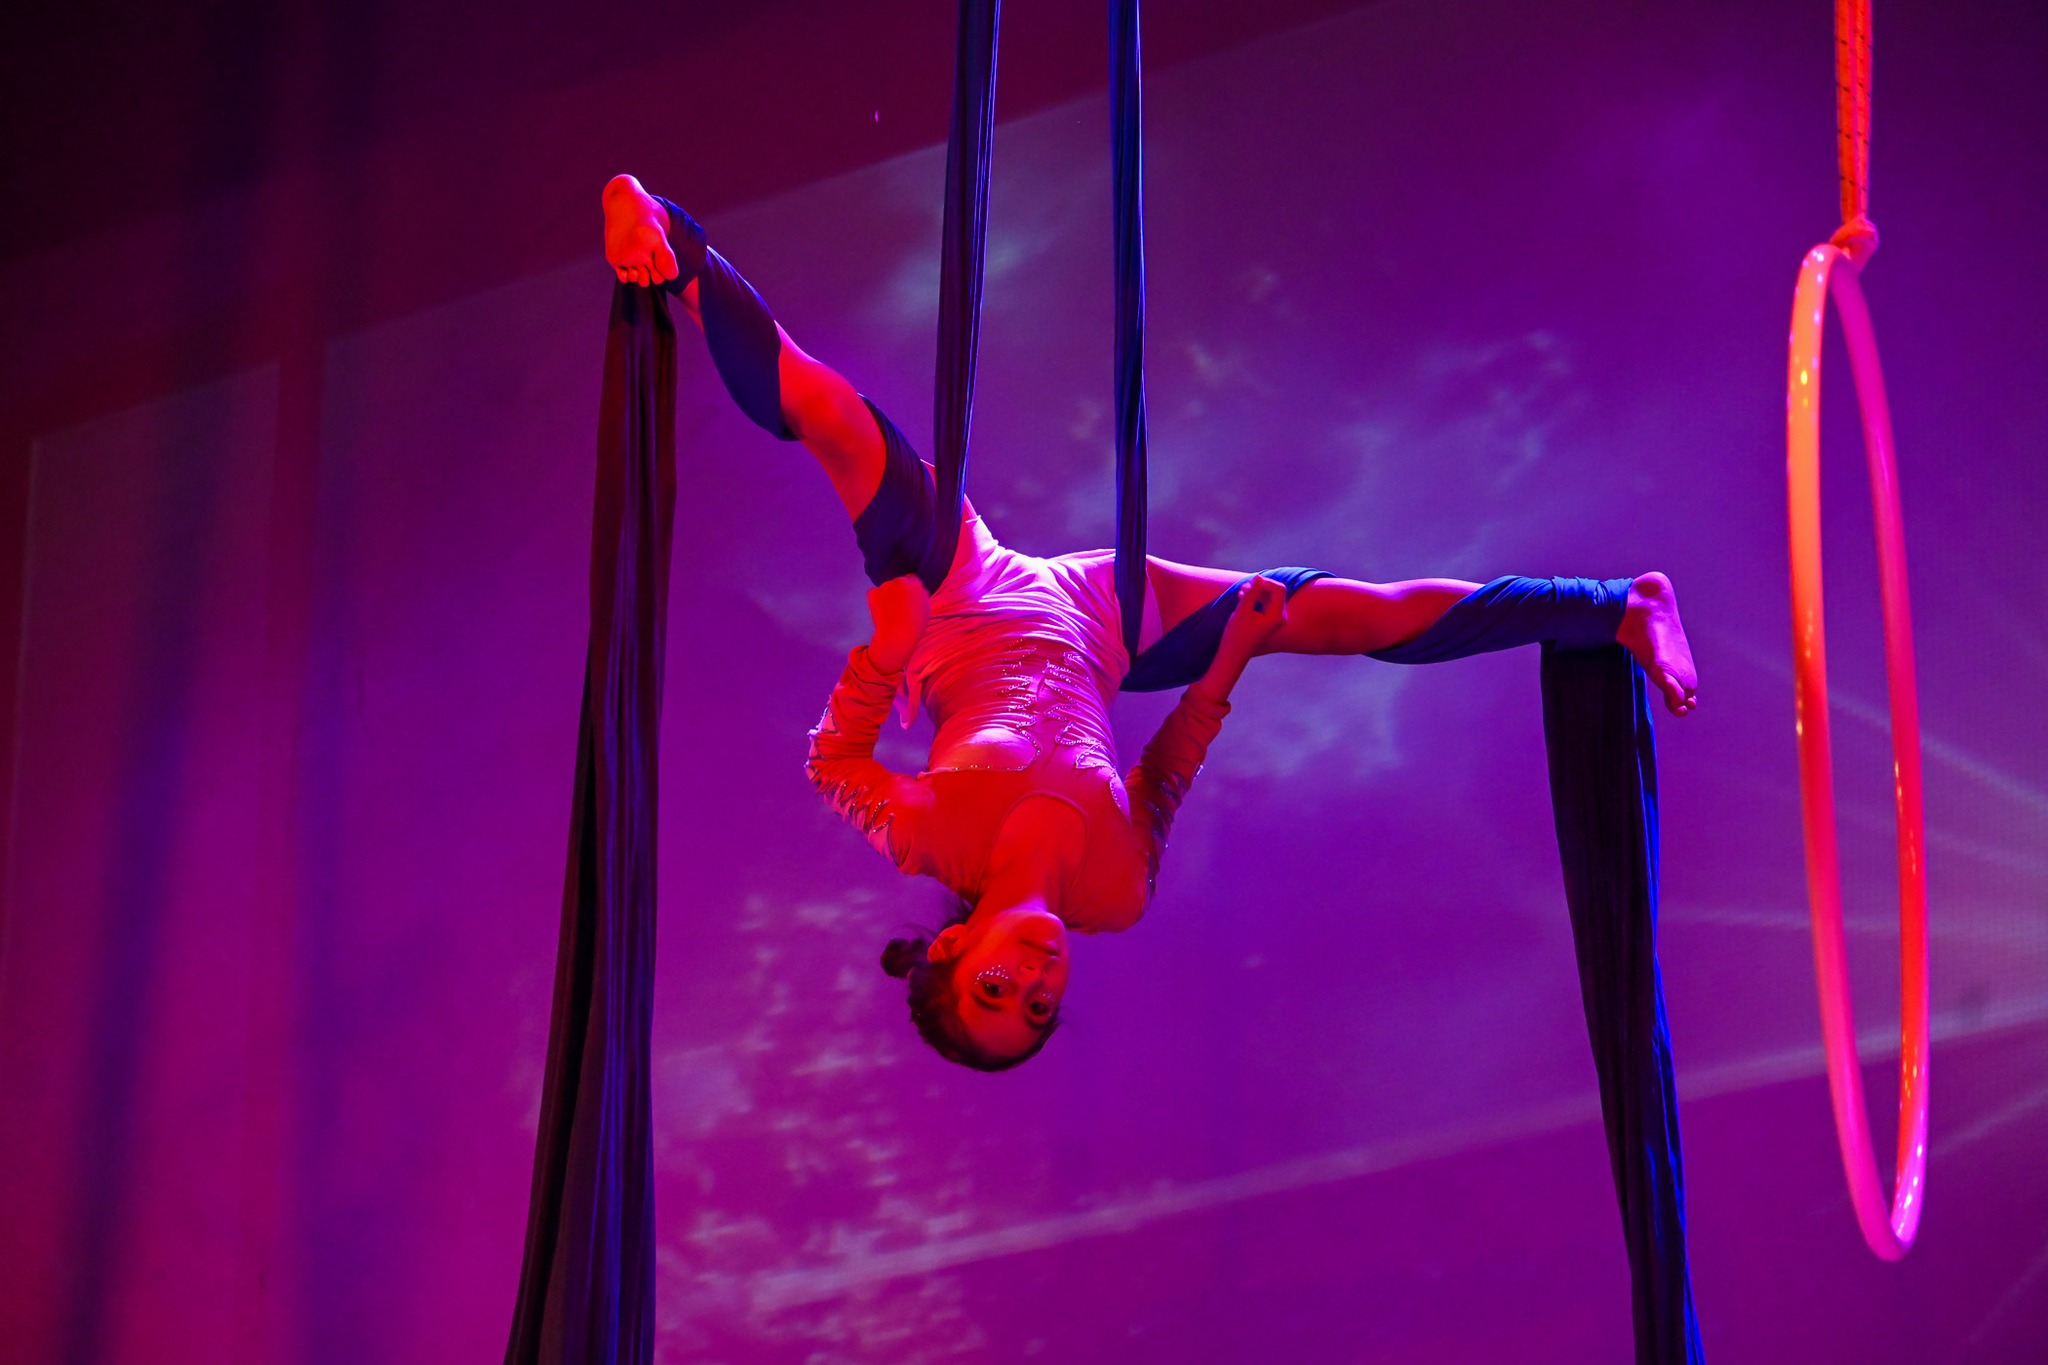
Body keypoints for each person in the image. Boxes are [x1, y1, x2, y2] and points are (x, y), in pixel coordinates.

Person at [600, 173, 1699, 1070]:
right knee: (1347, 616)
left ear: (952, 944)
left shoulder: (925, 835)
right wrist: (1231, 657)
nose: (1032, 983)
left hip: (955, 591)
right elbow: (1163, 776)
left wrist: (886, 650)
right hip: (1103, 625)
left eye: (994, 988)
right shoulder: (1114, 893)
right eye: (1038, 1009)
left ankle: (666, 241)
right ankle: (1615, 606)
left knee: (828, 420)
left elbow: (831, 760)